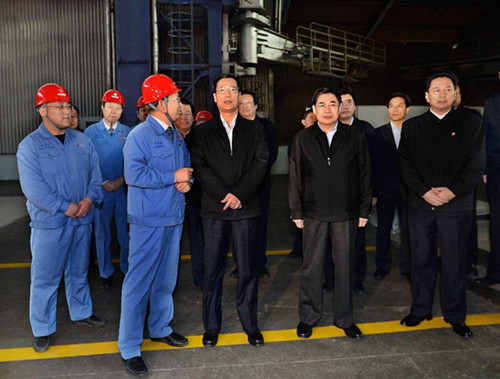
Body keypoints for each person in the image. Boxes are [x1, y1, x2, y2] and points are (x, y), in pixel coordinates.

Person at [17, 83, 106, 353]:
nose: (67, 112)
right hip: (51, 223)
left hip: (82, 219)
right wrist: (64, 206)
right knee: (45, 277)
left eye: (68, 106)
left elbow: (95, 174)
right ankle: (42, 327)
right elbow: (33, 189)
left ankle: (81, 312)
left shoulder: (81, 140)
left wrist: (89, 199)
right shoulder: (29, 146)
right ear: (43, 110)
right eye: (61, 106)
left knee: (79, 271)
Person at [398, 71, 484, 338]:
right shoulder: (413, 127)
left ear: (455, 92)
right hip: (421, 206)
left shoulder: (471, 123)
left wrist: (451, 192)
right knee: (420, 260)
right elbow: (405, 165)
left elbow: (476, 165)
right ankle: (420, 309)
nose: (443, 94)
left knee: (454, 262)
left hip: (455, 207)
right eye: (436, 90)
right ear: (427, 96)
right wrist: (425, 192)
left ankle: (456, 315)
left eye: (448, 89)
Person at [118, 74, 192, 377]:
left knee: (165, 280)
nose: (179, 104)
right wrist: (172, 177)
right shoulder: (140, 135)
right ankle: (130, 346)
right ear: (159, 103)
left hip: (173, 217)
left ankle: (160, 327)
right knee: (138, 283)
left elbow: (185, 167)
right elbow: (134, 176)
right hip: (149, 221)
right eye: (174, 99)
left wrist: (187, 181)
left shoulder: (174, 133)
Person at [191, 75, 268, 348]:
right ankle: (212, 325)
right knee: (212, 269)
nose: (227, 94)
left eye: (232, 90)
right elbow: (199, 167)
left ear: (238, 95)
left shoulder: (255, 129)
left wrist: (239, 194)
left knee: (248, 269)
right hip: (214, 209)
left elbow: (261, 163)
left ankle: (250, 324)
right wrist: (225, 194)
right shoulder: (202, 132)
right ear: (214, 97)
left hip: (246, 209)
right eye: (221, 90)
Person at [289, 87, 372, 340]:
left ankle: (344, 318)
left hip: (346, 213)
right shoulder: (303, 139)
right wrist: (296, 211)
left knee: (344, 267)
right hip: (313, 213)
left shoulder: (355, 136)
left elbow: (365, 174)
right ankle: (309, 317)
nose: (327, 109)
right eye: (322, 104)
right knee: (312, 268)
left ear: (340, 108)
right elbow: (295, 178)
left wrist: (364, 209)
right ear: (314, 110)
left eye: (332, 104)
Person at [84, 90, 131, 287]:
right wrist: (103, 182)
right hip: (100, 191)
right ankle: (105, 272)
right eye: (109, 106)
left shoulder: (128, 133)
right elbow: (88, 162)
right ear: (102, 107)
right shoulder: (90, 133)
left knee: (125, 233)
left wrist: (122, 180)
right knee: (102, 233)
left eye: (117, 107)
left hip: (122, 190)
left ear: (122, 110)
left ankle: (127, 269)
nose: (113, 111)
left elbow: (132, 161)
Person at [233, 90, 278, 278]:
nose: (244, 106)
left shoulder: (267, 127)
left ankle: (260, 264)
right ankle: (240, 265)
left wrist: (252, 176)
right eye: (241, 103)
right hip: (236, 189)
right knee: (237, 228)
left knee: (259, 226)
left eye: (248, 103)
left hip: (260, 187)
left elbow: (271, 155)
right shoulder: (232, 127)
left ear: (256, 106)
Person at [339, 89, 375, 295]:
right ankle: (331, 278)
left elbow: (373, 165)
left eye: (349, 102)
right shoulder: (327, 128)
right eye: (340, 102)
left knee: (357, 241)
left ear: (354, 107)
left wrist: (370, 195)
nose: (344, 106)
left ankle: (356, 280)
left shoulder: (365, 129)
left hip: (358, 195)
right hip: (333, 198)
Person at [372, 93, 411, 280]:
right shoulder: (377, 134)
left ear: (407, 109)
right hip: (385, 190)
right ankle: (382, 266)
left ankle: (408, 265)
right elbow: (373, 165)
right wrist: (373, 192)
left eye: (399, 105)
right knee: (383, 229)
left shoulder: (414, 132)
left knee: (408, 229)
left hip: (409, 190)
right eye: (391, 106)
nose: (395, 109)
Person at [453, 85, 482, 278]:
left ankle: (469, 262)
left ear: (459, 95)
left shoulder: (472, 117)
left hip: (465, 180)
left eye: (452, 91)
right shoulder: (431, 119)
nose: (447, 95)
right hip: (442, 181)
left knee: (468, 224)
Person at [179, 99, 205, 288]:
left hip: (196, 198)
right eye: (181, 113)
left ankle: (201, 277)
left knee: (198, 240)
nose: (185, 117)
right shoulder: (169, 137)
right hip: (173, 199)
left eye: (188, 113)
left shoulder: (201, 138)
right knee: (172, 243)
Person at [477, 89, 500, 286]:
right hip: (497, 171)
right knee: (497, 225)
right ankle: (495, 272)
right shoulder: (493, 101)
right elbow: (488, 136)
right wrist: (486, 168)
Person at [288, 109, 316, 258]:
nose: (314, 120)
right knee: (301, 222)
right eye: (311, 118)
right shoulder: (298, 139)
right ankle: (299, 249)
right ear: (303, 122)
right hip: (303, 187)